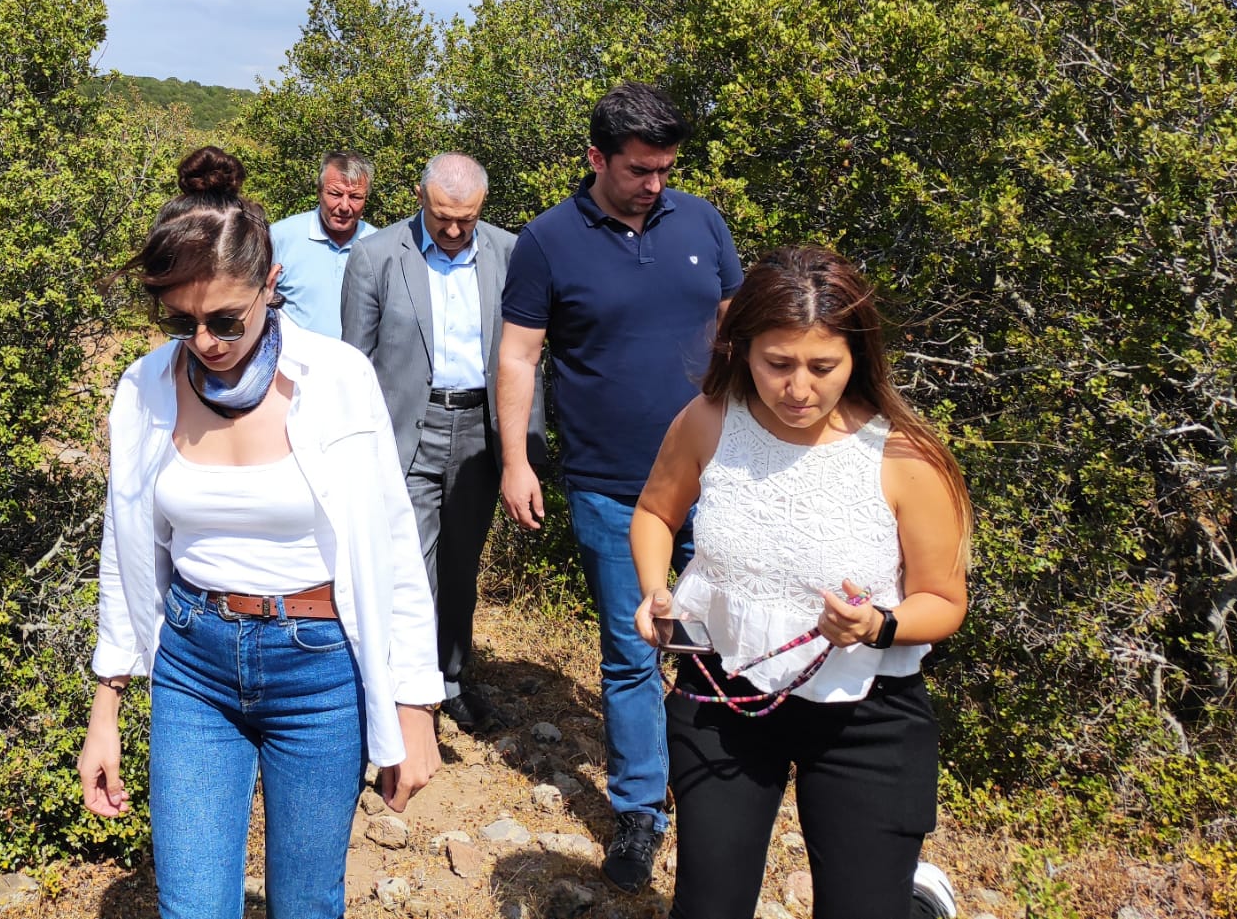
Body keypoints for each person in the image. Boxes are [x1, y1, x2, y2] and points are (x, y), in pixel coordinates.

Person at [79, 147, 441, 919]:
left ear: (270, 285)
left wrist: (415, 705)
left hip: (319, 669)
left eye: (224, 319)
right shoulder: (143, 387)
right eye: (180, 321)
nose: (203, 341)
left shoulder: (337, 378)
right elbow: (127, 550)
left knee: (306, 903)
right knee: (191, 905)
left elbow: (390, 542)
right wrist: (105, 707)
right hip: (194, 663)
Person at [629, 246, 971, 919]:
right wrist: (654, 588)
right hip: (724, 693)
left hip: (866, 712)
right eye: (777, 363)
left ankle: (915, 902)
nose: (799, 388)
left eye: (823, 366)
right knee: (707, 905)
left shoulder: (904, 454)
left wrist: (879, 623)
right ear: (743, 348)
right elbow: (654, 512)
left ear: (858, 356)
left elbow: (945, 599)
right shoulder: (708, 419)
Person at [494, 83, 742, 891]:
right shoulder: (547, 241)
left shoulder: (702, 221)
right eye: (640, 169)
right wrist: (517, 459)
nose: (655, 184)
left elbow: (742, 329)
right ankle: (640, 810)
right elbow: (519, 357)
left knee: (723, 633)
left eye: (666, 168)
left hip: (720, 475)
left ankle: (723, 785)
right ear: (597, 157)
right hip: (610, 484)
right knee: (637, 646)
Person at [341, 152, 519, 732]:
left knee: (461, 564)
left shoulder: (509, 253)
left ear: (481, 209)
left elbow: (525, 361)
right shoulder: (375, 257)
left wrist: (525, 448)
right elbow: (356, 363)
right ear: (420, 198)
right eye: (442, 215)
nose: (451, 229)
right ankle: (397, 696)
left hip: (477, 433)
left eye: (464, 219)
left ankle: (450, 679)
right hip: (402, 430)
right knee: (405, 565)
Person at [269, 151, 375, 336]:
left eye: (355, 197)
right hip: (292, 362)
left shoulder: (378, 245)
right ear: (319, 192)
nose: (344, 206)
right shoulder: (280, 237)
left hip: (357, 362)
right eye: (335, 194)